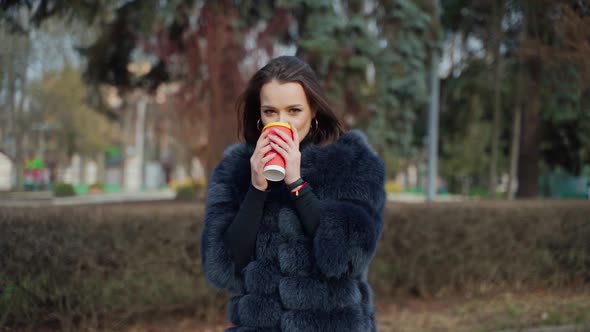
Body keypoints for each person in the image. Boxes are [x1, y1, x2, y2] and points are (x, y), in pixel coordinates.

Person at [200, 56, 386, 332]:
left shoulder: (351, 164)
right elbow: (222, 266)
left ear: (313, 112)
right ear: (259, 117)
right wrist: (256, 188)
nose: (281, 121)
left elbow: (346, 258)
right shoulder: (236, 170)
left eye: (294, 110)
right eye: (270, 112)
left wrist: (296, 183)